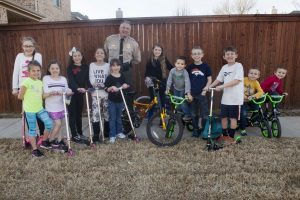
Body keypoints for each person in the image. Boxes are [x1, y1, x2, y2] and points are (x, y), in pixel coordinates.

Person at [18, 60, 53, 157]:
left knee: (49, 124)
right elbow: (20, 97)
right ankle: (35, 150)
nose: (36, 72)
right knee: (32, 130)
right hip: (30, 111)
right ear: (29, 72)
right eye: (33, 71)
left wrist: (50, 93)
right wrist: (22, 93)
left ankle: (44, 141)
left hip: (39, 109)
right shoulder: (26, 82)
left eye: (38, 70)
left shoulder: (40, 82)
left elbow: (41, 96)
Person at [104, 21, 141, 110]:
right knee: (113, 92)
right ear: (119, 28)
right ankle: (112, 115)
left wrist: (128, 64)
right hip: (112, 71)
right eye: (123, 28)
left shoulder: (133, 43)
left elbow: (138, 59)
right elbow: (106, 54)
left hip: (126, 71)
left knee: (127, 93)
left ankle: (127, 117)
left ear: (130, 30)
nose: (125, 30)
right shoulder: (110, 39)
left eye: (127, 28)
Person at [12, 36, 44, 137]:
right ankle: (33, 135)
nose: (28, 48)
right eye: (26, 46)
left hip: (35, 88)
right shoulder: (19, 56)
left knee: (39, 111)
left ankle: (43, 135)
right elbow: (16, 72)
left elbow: (38, 73)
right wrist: (15, 88)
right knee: (28, 113)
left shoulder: (38, 55)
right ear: (22, 47)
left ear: (34, 47)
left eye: (30, 46)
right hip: (24, 88)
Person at [209, 46, 244, 139]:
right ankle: (224, 136)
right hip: (225, 98)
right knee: (223, 117)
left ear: (236, 55)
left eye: (232, 54)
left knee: (233, 118)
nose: (230, 56)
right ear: (224, 57)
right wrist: (209, 87)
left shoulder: (238, 66)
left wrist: (221, 86)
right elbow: (218, 79)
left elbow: (236, 81)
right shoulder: (224, 67)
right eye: (227, 54)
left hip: (235, 99)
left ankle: (231, 137)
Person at [43, 60, 72, 150]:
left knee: (61, 124)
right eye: (52, 68)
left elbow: (66, 89)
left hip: (61, 106)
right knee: (58, 124)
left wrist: (69, 91)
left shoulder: (63, 79)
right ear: (49, 69)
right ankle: (50, 140)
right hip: (52, 107)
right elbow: (46, 91)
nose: (55, 70)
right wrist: (54, 92)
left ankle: (59, 140)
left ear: (59, 69)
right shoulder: (46, 78)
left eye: (57, 68)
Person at [186, 47, 212, 137]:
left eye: (198, 53)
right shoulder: (189, 67)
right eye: (194, 54)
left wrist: (206, 87)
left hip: (202, 94)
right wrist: (188, 93)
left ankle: (204, 130)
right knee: (193, 114)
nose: (196, 55)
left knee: (204, 114)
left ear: (202, 55)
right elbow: (186, 81)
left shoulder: (206, 66)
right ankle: (196, 129)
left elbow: (209, 79)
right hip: (192, 94)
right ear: (192, 56)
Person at [67, 47, 91, 143]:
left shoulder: (86, 67)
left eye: (79, 55)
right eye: (75, 56)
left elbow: (87, 80)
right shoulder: (70, 68)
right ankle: (74, 135)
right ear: (72, 57)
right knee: (72, 114)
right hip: (71, 93)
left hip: (80, 94)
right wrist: (77, 88)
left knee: (79, 114)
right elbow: (71, 81)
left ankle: (80, 133)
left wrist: (89, 87)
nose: (77, 57)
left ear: (82, 56)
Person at [104, 59, 129, 144]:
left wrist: (125, 85)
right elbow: (105, 88)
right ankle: (112, 135)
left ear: (120, 66)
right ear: (111, 67)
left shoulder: (122, 76)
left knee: (119, 118)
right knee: (112, 118)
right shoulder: (109, 77)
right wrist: (110, 88)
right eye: (113, 66)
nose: (116, 67)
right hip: (112, 102)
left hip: (120, 101)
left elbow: (125, 84)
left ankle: (119, 132)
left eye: (117, 65)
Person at [144, 44, 173, 116]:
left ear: (161, 51)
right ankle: (150, 116)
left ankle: (162, 117)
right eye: (156, 49)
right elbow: (146, 73)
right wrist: (147, 79)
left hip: (162, 82)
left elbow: (171, 68)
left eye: (159, 50)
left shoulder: (164, 59)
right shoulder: (149, 60)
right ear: (153, 50)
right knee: (153, 99)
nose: (157, 51)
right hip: (152, 83)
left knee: (162, 99)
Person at [89, 48, 110, 142]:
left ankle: (106, 133)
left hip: (105, 93)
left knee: (106, 113)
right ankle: (96, 134)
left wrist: (105, 85)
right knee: (95, 114)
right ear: (95, 55)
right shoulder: (92, 65)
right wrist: (94, 83)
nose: (99, 54)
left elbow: (110, 77)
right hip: (95, 93)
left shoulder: (108, 65)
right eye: (97, 53)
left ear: (104, 55)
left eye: (102, 53)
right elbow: (91, 76)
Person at [240, 68, 264, 136]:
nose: (253, 75)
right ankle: (242, 128)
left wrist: (253, 96)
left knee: (257, 110)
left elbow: (261, 92)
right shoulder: (244, 79)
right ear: (248, 74)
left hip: (251, 99)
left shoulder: (256, 82)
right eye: (251, 73)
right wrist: (243, 95)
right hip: (242, 100)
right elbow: (238, 88)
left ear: (258, 76)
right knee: (243, 113)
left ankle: (251, 121)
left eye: (255, 74)